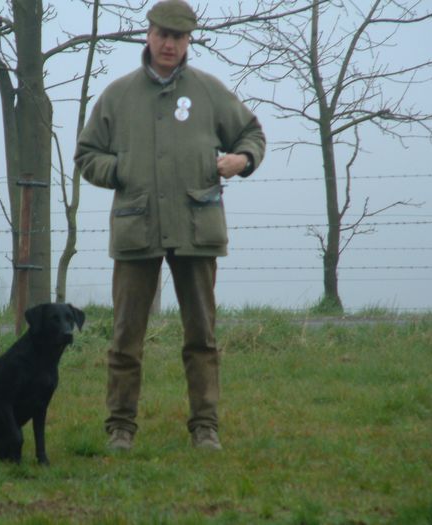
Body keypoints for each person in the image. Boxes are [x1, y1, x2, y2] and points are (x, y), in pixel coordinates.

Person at [74, 0, 265, 452]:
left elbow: (252, 134)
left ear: (188, 41)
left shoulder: (209, 91)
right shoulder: (118, 95)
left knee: (202, 336)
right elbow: (87, 155)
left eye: (178, 37)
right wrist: (120, 170)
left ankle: (205, 427)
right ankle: (120, 427)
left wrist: (242, 159)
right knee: (126, 337)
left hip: (197, 228)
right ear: (148, 34)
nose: (168, 44)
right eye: (162, 34)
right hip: (136, 228)